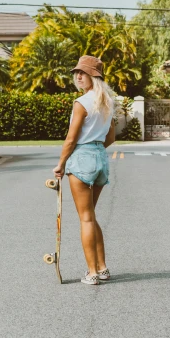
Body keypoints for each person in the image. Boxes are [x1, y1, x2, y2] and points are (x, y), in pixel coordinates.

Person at [53, 55, 116, 285]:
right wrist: (95, 148)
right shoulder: (107, 101)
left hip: (81, 158)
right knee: (91, 216)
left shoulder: (81, 103)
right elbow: (111, 137)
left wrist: (61, 164)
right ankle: (102, 267)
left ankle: (92, 273)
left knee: (86, 218)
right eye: (77, 72)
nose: (78, 76)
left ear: (94, 76)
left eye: (84, 73)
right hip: (100, 158)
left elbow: (71, 138)